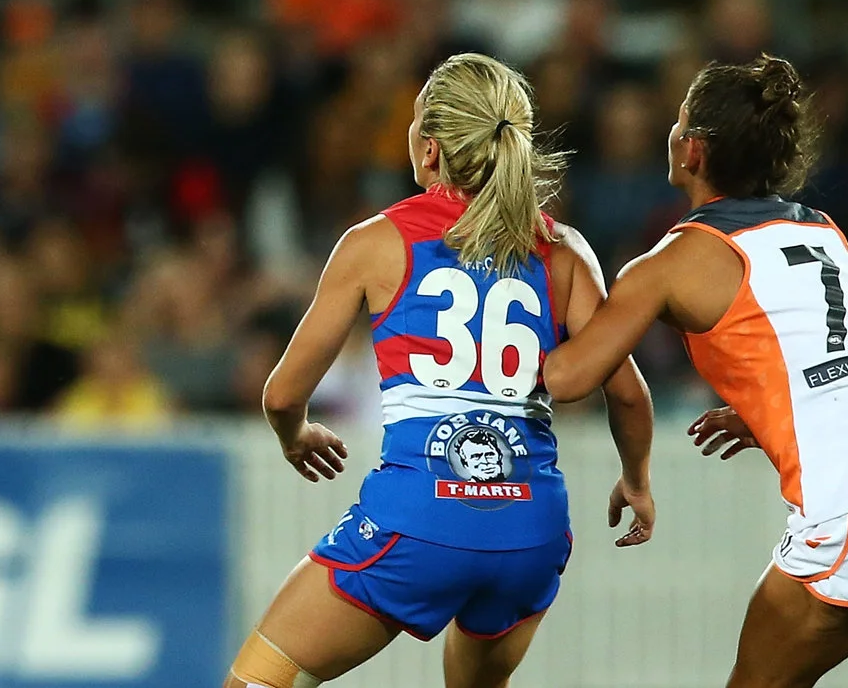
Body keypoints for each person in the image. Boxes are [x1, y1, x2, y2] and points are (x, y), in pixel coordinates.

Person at [228, 52, 656, 688]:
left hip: (419, 520)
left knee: (258, 681)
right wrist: (636, 481)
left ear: (430, 150)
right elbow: (628, 394)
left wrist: (296, 434)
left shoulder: (377, 242)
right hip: (530, 531)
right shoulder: (563, 249)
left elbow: (283, 393)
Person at [544, 55, 848, 688]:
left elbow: (567, 379)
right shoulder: (826, 234)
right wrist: (773, 408)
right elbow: (841, 359)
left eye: (679, 120)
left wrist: (546, 277)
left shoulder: (672, 262)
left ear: (691, 149)